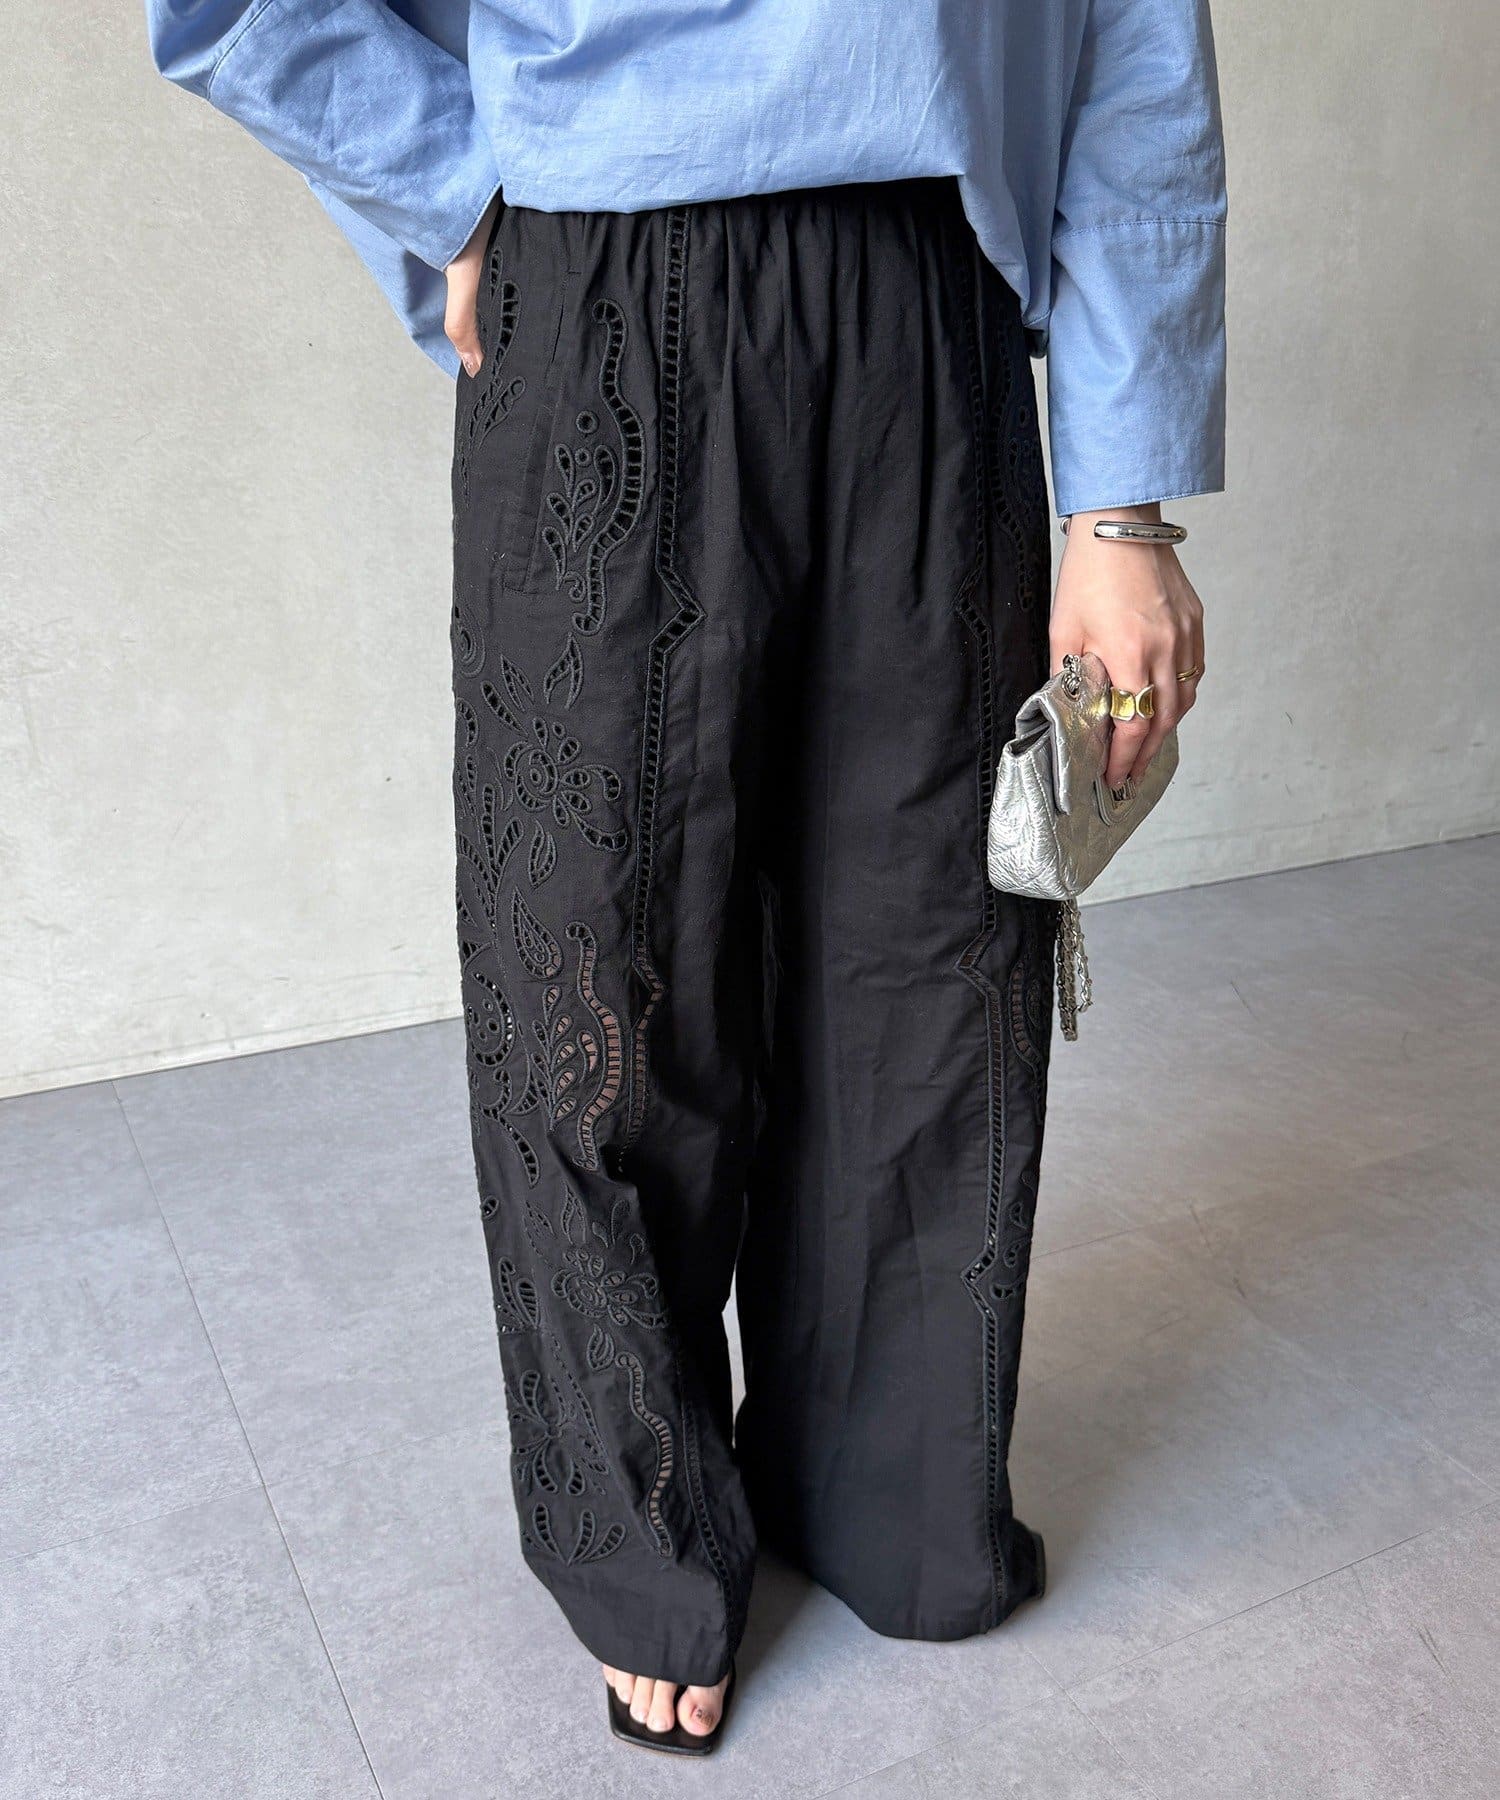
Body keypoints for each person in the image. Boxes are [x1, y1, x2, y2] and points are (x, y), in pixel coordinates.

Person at [145, 0, 1223, 1756]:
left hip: (930, 295)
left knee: (930, 959)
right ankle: (636, 1531)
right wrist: (451, 191)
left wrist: (1123, 507)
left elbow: (1132, 35)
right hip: (603, 277)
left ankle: (887, 1484)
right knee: (595, 966)